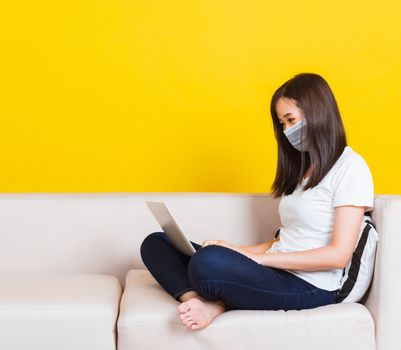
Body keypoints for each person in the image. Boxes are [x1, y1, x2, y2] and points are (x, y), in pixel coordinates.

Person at [140, 72, 375, 331]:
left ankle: (217, 303)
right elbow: (283, 241)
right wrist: (234, 249)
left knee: (208, 263)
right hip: (276, 271)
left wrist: (255, 260)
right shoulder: (304, 170)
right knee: (156, 244)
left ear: (317, 111)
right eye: (282, 124)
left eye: (291, 120)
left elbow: (338, 255)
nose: (287, 131)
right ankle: (198, 301)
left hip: (309, 286)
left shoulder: (351, 168)